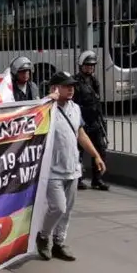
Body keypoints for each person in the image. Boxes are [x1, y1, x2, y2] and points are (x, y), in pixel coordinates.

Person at [37, 72, 107, 262]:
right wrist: (46, 101)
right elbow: (30, 121)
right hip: (52, 170)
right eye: (66, 86)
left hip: (72, 169)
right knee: (58, 208)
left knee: (67, 210)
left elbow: (80, 134)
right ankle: (43, 236)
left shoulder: (75, 108)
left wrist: (96, 156)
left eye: (72, 86)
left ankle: (59, 243)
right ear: (54, 88)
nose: (71, 89)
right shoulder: (45, 109)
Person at [73, 50, 110, 191]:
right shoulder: (75, 82)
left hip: (95, 121)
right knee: (78, 152)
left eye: (92, 65)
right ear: (81, 65)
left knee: (100, 149)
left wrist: (101, 121)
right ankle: (78, 179)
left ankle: (97, 179)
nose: (90, 68)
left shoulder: (94, 81)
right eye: (87, 65)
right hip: (82, 121)